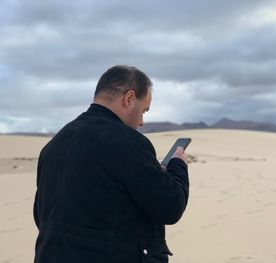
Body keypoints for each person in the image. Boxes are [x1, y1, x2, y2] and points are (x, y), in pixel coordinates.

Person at [33, 65, 189, 263]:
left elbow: (42, 215)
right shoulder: (129, 142)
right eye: (144, 110)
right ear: (129, 98)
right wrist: (178, 166)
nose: (141, 121)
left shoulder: (53, 146)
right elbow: (170, 206)